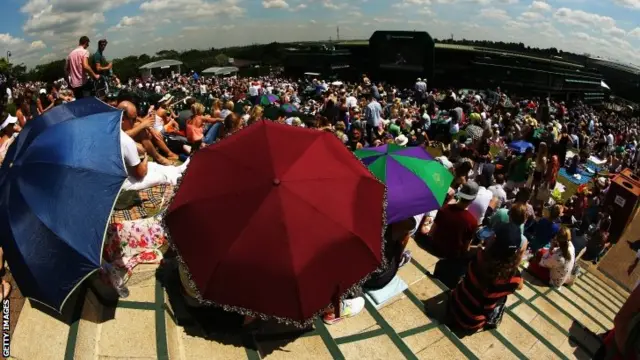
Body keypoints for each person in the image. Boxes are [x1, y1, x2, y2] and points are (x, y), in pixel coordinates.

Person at [449, 222, 524, 332]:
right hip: (472, 322)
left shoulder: (479, 255)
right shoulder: (514, 278)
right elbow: (520, 286)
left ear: (494, 240)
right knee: (504, 297)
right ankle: (491, 321)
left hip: (454, 303)